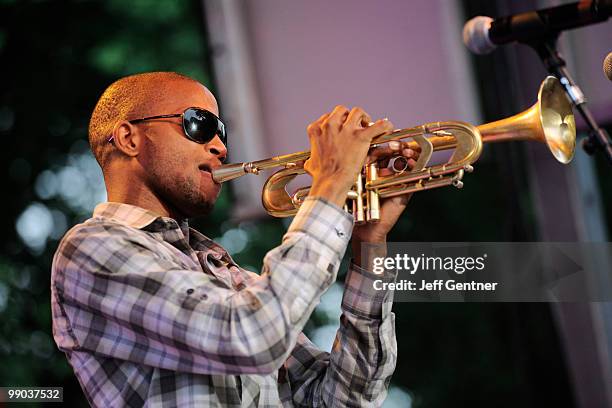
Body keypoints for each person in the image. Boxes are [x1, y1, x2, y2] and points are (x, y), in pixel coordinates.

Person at [51, 72, 416, 407]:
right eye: (199, 124)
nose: (220, 147)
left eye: (221, 132)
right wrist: (331, 183)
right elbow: (249, 335)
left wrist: (370, 243)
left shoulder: (227, 274)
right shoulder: (91, 248)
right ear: (130, 138)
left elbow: (342, 399)